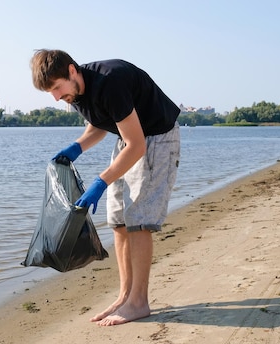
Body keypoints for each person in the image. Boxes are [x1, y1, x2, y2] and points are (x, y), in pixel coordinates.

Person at [30, 49, 181, 326]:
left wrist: (101, 182)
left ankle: (139, 302)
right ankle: (125, 295)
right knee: (119, 222)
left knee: (139, 221)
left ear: (72, 71)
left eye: (56, 88)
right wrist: (76, 148)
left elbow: (138, 144)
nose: (55, 97)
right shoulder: (74, 92)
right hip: (129, 141)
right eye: (50, 92)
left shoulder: (109, 82)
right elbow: (99, 124)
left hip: (156, 139)